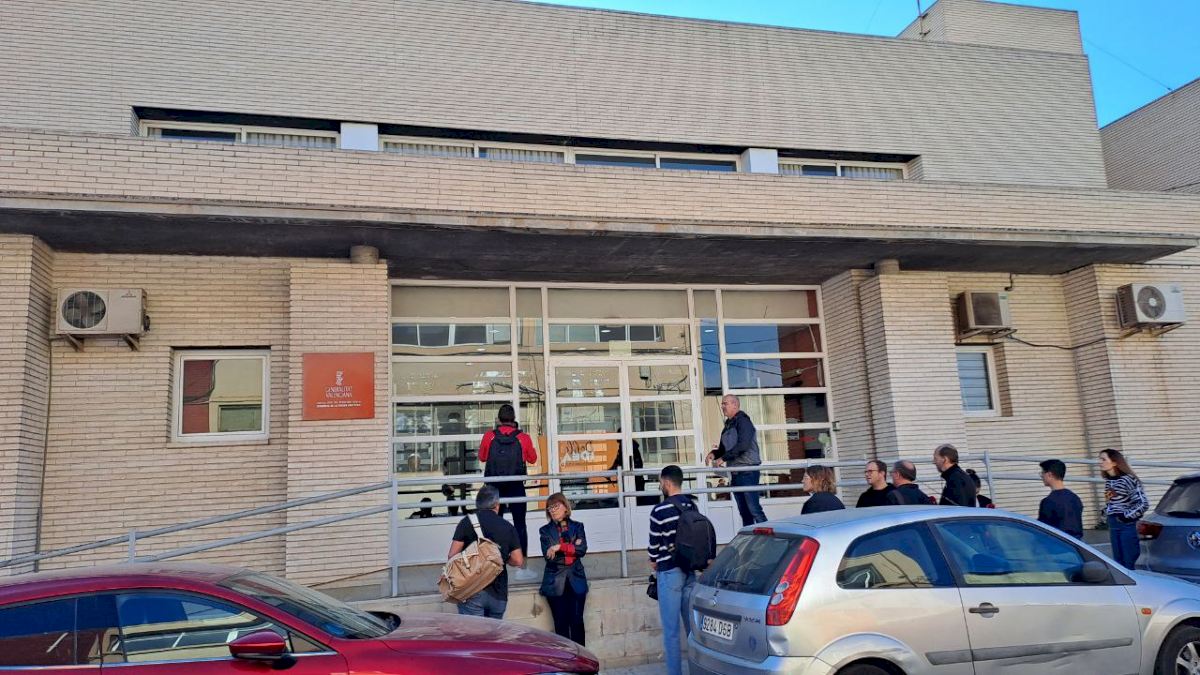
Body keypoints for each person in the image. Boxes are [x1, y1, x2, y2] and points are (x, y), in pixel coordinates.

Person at [648, 465, 697, 675]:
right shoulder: (692, 505)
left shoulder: (659, 510)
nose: (661, 485)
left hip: (669, 572)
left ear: (667, 482)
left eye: (661, 482)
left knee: (671, 631)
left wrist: (653, 559)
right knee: (692, 630)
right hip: (690, 571)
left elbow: (653, 546)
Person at [447, 485, 524, 618]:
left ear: (477, 504)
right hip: (498, 593)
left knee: (474, 631)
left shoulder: (466, 522)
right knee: (493, 631)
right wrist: (502, 558)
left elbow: (452, 555)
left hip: (472, 590)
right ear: (497, 504)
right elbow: (518, 560)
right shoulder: (507, 527)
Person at [479, 404, 539, 563]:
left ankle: (493, 558)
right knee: (520, 523)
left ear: (498, 419)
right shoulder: (523, 437)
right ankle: (521, 559)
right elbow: (533, 459)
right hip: (516, 485)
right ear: (514, 419)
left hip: (494, 487)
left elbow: (482, 457)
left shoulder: (489, 436)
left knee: (493, 523)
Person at [706, 394, 766, 526]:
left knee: (754, 510)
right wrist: (714, 454)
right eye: (722, 404)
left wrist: (723, 458)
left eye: (725, 403)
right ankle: (750, 538)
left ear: (735, 405)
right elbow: (723, 449)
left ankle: (770, 536)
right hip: (735, 473)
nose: (722, 406)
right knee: (744, 512)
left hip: (748, 471)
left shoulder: (743, 421)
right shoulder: (728, 425)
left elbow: (743, 445)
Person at [539, 493, 588, 646]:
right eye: (550, 508)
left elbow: (582, 550)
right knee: (561, 624)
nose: (552, 510)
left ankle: (581, 658)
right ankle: (565, 659)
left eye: (556, 506)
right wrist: (572, 548)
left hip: (576, 580)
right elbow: (549, 557)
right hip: (555, 581)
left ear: (565, 507)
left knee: (577, 622)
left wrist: (560, 547)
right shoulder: (545, 531)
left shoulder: (578, 526)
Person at [1100, 448, 1149, 569]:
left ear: (1114, 462)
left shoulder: (1128, 479)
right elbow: (1112, 502)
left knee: (1129, 561)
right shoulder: (1109, 482)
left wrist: (1125, 516)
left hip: (1126, 525)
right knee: (1119, 563)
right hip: (1113, 524)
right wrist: (1105, 512)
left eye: (1103, 459)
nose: (1100, 463)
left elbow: (1143, 503)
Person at [1037, 459, 1084, 539]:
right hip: (1076, 543)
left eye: (1042, 473)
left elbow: (1042, 529)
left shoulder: (1048, 502)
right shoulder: (1075, 498)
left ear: (1049, 474)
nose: (1041, 476)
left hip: (1057, 543)